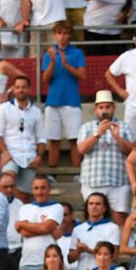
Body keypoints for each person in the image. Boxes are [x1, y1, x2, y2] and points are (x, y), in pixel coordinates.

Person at [75, 93, 135, 224]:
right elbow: (81, 149)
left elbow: (131, 151)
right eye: (101, 107)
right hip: (92, 182)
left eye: (107, 107)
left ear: (114, 108)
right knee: (94, 218)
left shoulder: (124, 126)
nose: (104, 110)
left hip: (118, 182)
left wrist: (118, 137)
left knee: (120, 220)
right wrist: (98, 133)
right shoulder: (87, 127)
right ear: (95, 109)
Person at [40, 22, 86, 170]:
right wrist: (53, 62)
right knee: (53, 140)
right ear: (55, 35)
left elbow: (82, 75)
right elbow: (45, 79)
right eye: (59, 33)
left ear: (70, 35)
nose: (62, 37)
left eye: (65, 33)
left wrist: (66, 65)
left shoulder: (77, 53)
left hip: (71, 101)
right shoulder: (49, 54)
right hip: (53, 101)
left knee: (74, 139)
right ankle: (53, 173)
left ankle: (76, 173)